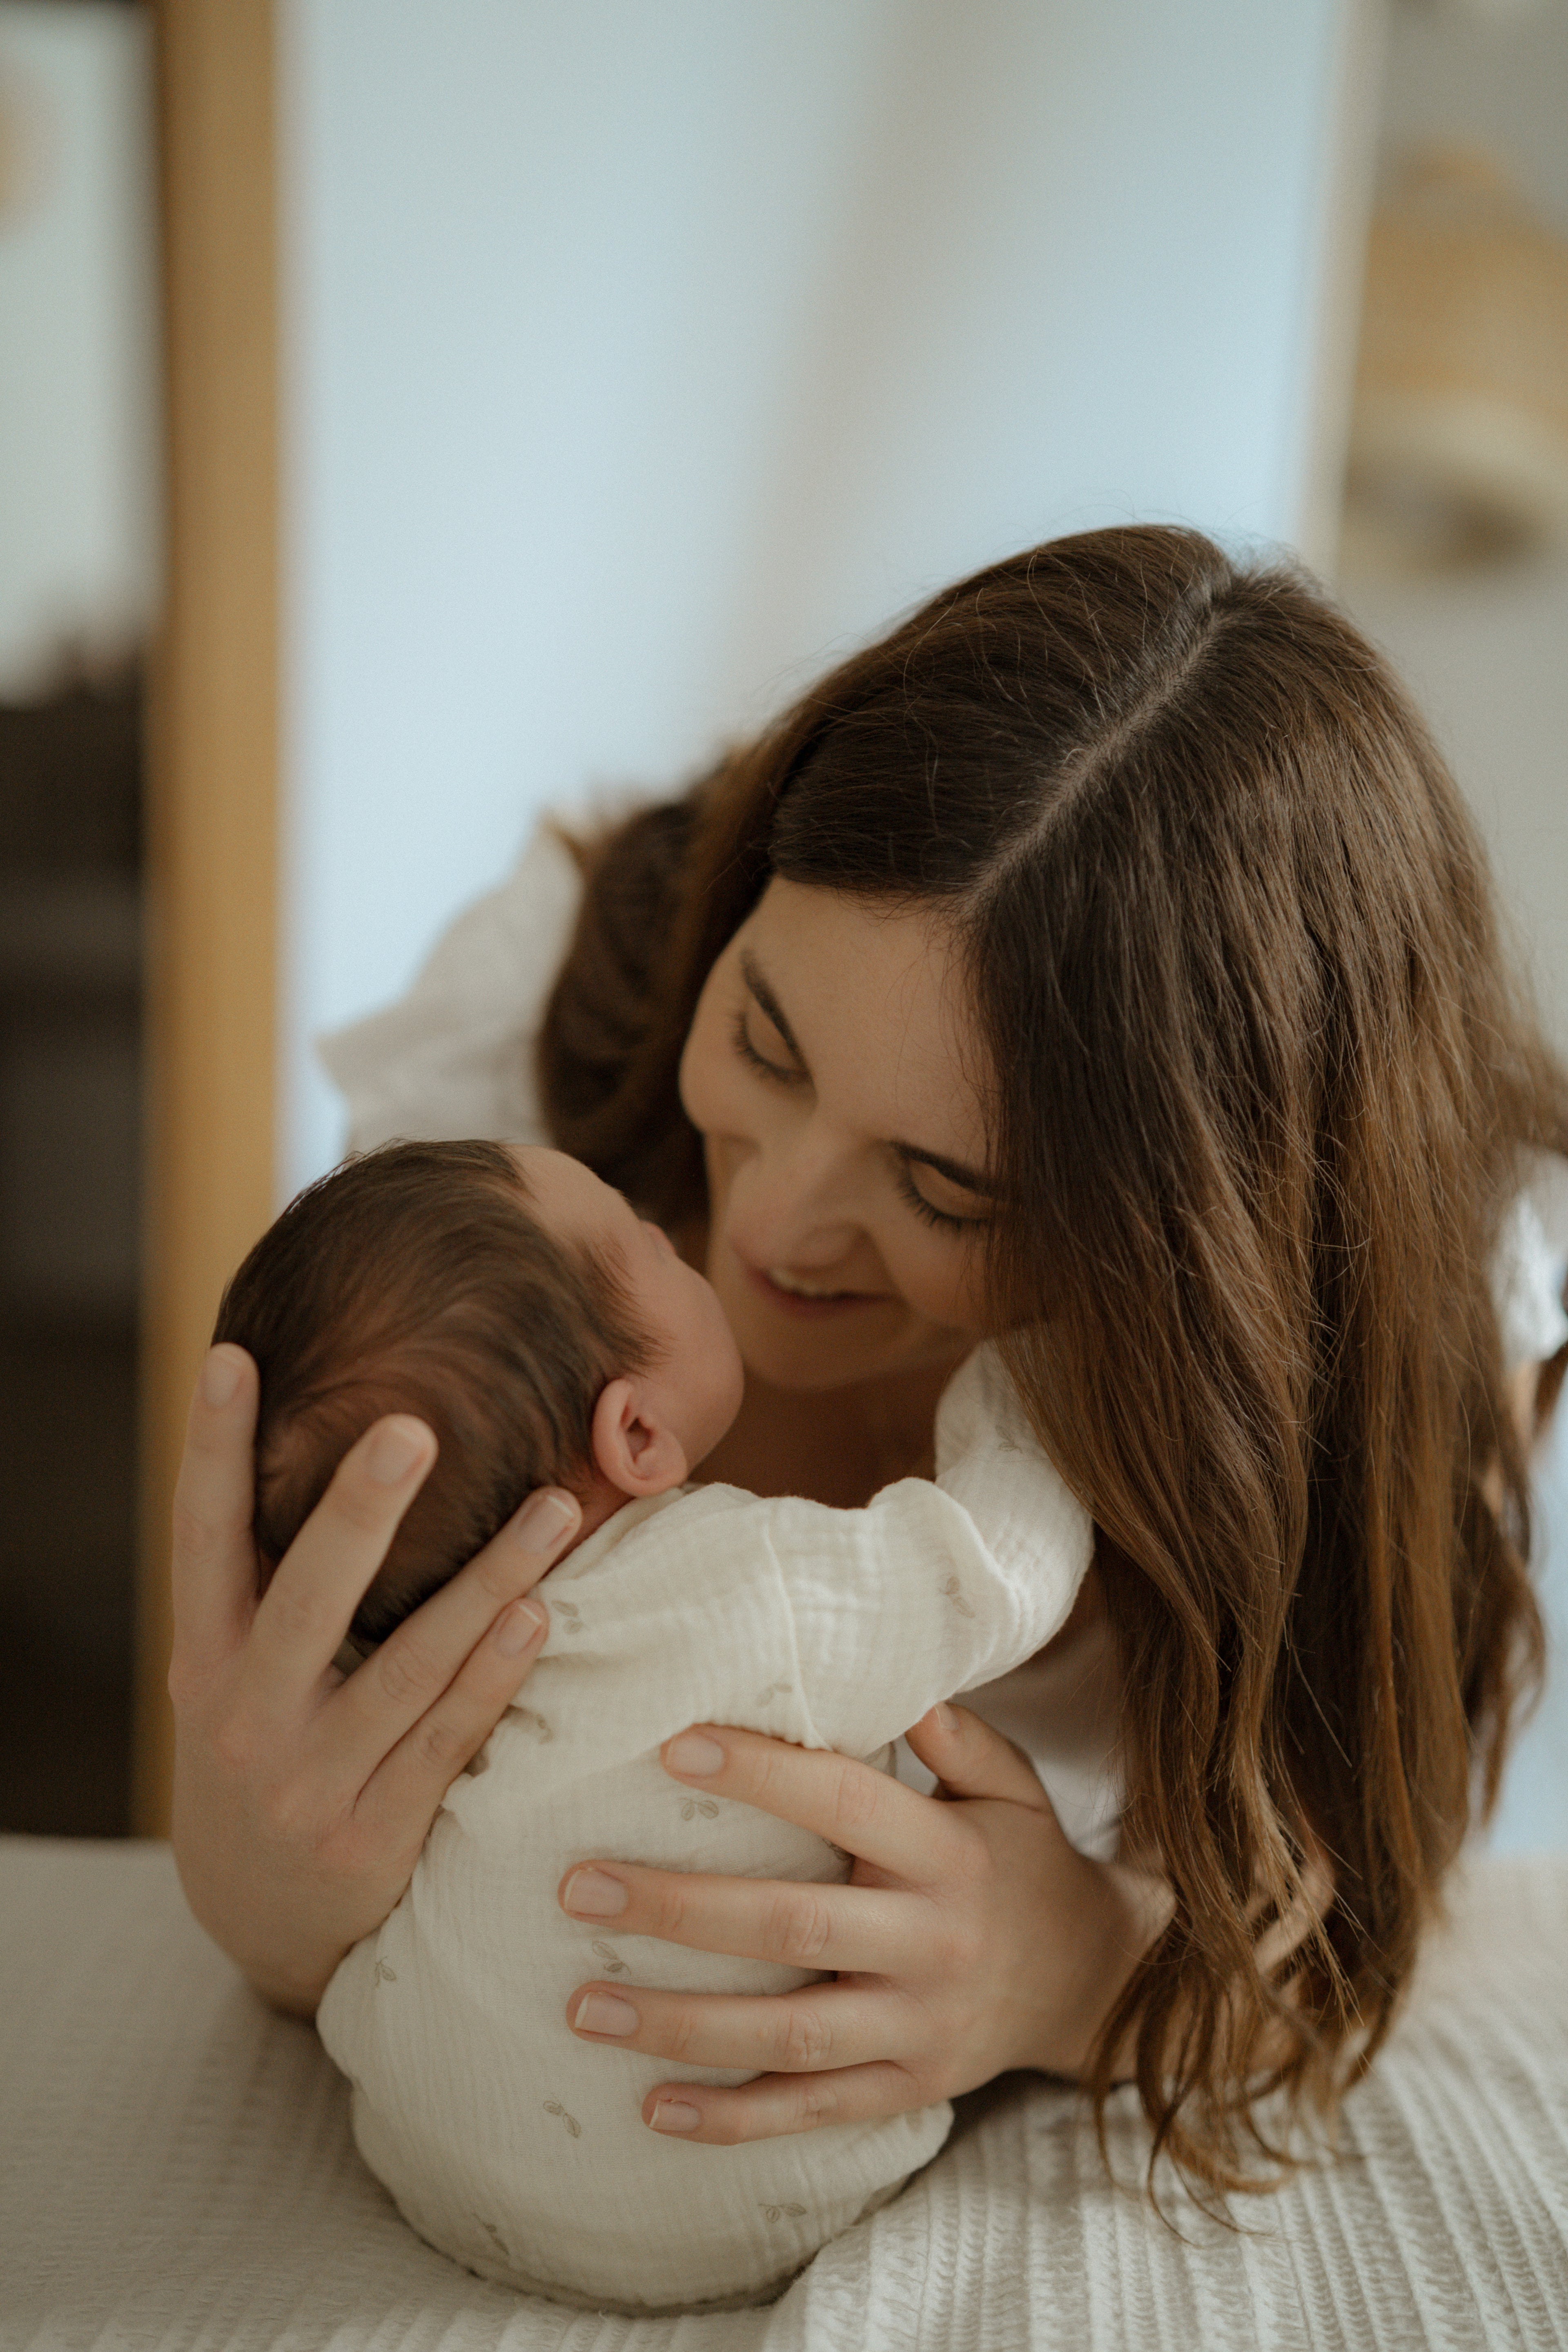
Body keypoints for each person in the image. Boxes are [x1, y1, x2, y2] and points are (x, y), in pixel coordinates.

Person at [169, 525, 1568, 2208]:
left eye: (950, 1186)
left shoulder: (1388, 1315)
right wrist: (269, 1888)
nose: (780, 1221)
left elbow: (1349, 1940)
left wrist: (1075, 1972)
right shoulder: (540, 1080)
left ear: (1195, 1249)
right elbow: (289, 1862)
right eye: (765, 1038)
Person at [209, 1135, 1090, 2307]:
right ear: (635, 1435)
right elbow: (989, 1575)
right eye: (643, 1238)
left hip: (437, 2171)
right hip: (756, 2197)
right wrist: (1034, 1382)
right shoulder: (751, 1585)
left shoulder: (418, 1652)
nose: (683, 1238)